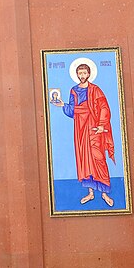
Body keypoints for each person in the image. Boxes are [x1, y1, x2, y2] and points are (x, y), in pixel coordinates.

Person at [50, 60, 116, 207]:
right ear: (76, 74)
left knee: (98, 157)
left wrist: (100, 125)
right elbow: (72, 110)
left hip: (93, 126)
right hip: (80, 127)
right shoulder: (74, 90)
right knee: (84, 159)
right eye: (79, 73)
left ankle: (104, 193)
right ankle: (91, 193)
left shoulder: (95, 90)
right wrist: (63, 105)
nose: (82, 75)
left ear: (89, 74)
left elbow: (104, 107)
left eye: (84, 73)